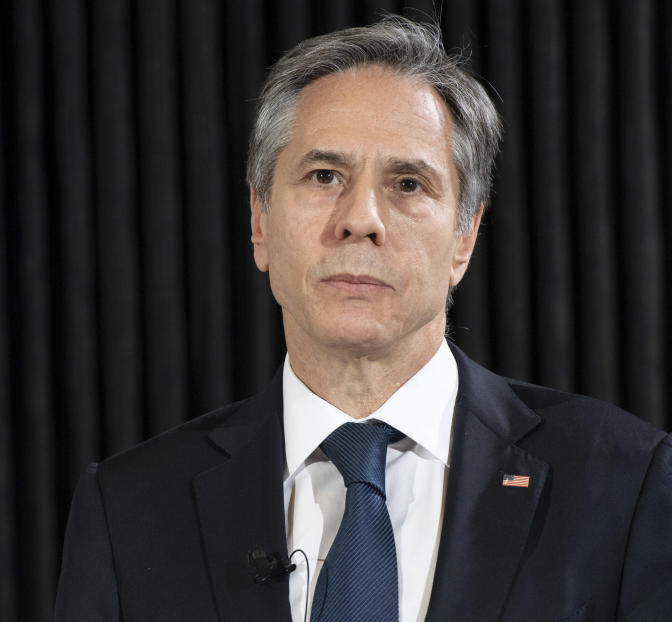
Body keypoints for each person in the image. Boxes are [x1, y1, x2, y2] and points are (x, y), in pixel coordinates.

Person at [55, 16, 672, 622]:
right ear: (259, 220)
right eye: (325, 176)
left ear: (466, 236)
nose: (361, 219)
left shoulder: (623, 481)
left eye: (407, 184)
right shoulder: (130, 508)